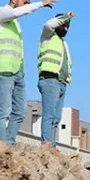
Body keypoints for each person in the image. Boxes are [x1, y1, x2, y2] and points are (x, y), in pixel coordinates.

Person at [0, 0, 57, 145]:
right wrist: (40, 4)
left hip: (17, 71)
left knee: (20, 111)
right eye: (25, 2)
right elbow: (17, 13)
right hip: (3, 69)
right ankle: (0, 145)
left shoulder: (14, 24)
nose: (27, 5)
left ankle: (8, 144)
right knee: (4, 111)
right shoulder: (1, 13)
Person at [37, 11, 75, 146]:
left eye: (67, 27)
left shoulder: (63, 43)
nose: (65, 29)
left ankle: (51, 146)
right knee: (49, 115)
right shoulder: (48, 36)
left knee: (56, 118)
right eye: (63, 25)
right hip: (50, 79)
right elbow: (49, 24)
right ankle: (46, 145)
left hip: (62, 82)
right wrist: (65, 17)